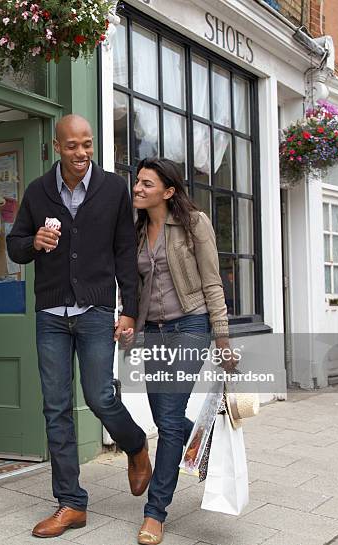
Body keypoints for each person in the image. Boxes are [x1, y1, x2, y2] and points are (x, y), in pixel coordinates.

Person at [6, 114, 152, 539]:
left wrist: (128, 309)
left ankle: (136, 445)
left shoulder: (112, 190)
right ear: (57, 147)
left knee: (100, 396)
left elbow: (125, 250)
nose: (82, 153)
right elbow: (15, 247)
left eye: (87, 144)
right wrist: (33, 242)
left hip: (94, 311)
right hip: (50, 315)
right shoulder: (38, 191)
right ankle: (70, 503)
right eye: (73, 146)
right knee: (55, 408)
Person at [129, 158, 236, 545]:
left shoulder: (195, 224)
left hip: (190, 327)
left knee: (169, 421)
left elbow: (212, 283)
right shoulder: (137, 229)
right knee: (166, 419)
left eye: (147, 184)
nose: (138, 188)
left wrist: (222, 339)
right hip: (153, 333)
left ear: (168, 191)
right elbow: (132, 286)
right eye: (137, 182)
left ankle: (155, 513)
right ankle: (199, 450)